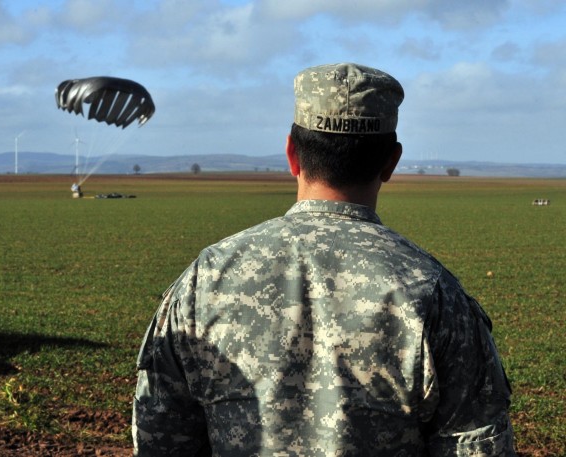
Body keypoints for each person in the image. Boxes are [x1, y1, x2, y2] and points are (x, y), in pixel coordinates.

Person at [132, 63, 516, 456]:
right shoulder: (432, 292)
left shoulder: (207, 278)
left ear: (291, 154)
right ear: (391, 162)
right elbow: (477, 445)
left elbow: (159, 436)